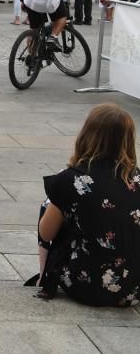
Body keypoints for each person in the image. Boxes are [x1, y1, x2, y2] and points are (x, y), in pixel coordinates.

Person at [34, 104, 140, 306]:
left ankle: (43, 277)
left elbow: (46, 234)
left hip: (88, 286)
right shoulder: (137, 178)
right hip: (135, 290)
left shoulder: (71, 179)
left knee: (50, 203)